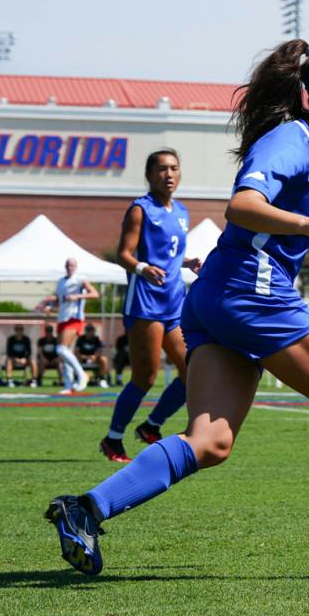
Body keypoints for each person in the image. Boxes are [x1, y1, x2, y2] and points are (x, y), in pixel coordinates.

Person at [44, 39, 309, 577]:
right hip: (254, 291)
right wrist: (308, 224)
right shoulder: (288, 141)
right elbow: (242, 206)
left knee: (211, 441)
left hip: (218, 298)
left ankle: (85, 508)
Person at [107, 148, 204, 462]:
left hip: (175, 301)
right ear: (149, 175)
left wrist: (187, 262)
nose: (169, 174)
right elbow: (124, 254)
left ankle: (152, 426)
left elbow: (171, 254)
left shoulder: (181, 211)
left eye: (174, 168)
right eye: (162, 169)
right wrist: (141, 268)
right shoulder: (140, 209)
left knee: (193, 371)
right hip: (146, 302)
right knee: (145, 377)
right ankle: (113, 439)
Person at [39, 257, 99, 397]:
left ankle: (82, 375)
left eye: (72, 265)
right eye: (68, 265)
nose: (70, 267)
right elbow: (59, 301)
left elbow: (95, 294)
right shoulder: (61, 282)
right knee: (63, 353)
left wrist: (77, 296)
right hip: (62, 319)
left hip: (75, 318)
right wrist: (50, 307)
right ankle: (68, 385)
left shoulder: (80, 279)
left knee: (60, 349)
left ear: (76, 267)